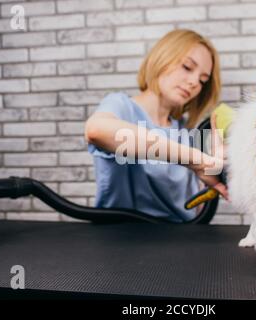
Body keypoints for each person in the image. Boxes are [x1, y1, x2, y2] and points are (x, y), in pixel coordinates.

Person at [84, 29, 228, 222]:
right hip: (119, 238)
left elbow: (200, 206)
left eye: (203, 80)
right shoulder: (122, 107)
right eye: (187, 67)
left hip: (179, 239)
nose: (194, 82)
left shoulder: (188, 132)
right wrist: (195, 160)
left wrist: (221, 164)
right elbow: (97, 131)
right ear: (161, 58)